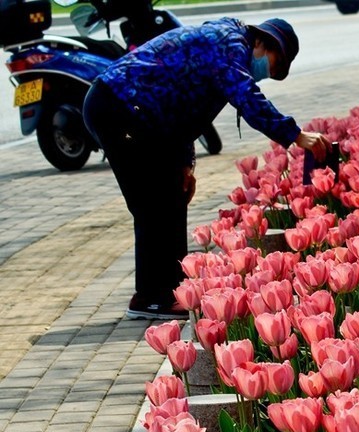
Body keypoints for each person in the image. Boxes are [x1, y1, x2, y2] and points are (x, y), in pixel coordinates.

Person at [83, 18, 331, 320]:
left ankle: (173, 290)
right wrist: (295, 135)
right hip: (119, 107)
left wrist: (185, 165)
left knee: (171, 196)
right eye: (273, 66)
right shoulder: (228, 43)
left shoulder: (228, 45)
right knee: (153, 204)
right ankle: (152, 297)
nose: (266, 74)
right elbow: (246, 96)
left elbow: (187, 112)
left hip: (144, 115)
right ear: (265, 43)